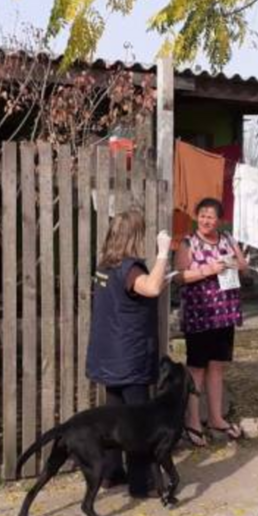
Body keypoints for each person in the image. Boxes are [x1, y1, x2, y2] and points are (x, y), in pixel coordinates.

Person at [86, 208, 171, 497]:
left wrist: (160, 276)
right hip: (130, 358)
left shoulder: (104, 267)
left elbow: (131, 293)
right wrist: (162, 254)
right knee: (137, 423)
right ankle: (140, 483)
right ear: (135, 236)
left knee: (114, 419)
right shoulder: (131, 268)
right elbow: (150, 289)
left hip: (108, 356)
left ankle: (112, 473)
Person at [175, 197, 249, 446]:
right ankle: (193, 421)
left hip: (224, 314)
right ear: (197, 216)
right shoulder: (188, 242)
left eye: (212, 216)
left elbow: (243, 266)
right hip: (200, 314)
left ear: (220, 220)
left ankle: (216, 417)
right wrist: (208, 270)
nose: (207, 220)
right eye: (203, 215)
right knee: (196, 368)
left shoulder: (227, 239)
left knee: (217, 365)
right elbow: (180, 276)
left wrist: (232, 264)